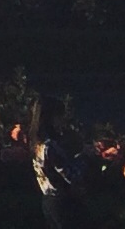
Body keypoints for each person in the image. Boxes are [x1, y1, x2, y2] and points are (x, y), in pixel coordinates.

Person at [27, 96, 87, 228]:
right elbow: (70, 175)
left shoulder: (36, 144)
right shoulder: (50, 147)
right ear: (51, 118)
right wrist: (83, 158)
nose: (62, 120)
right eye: (60, 116)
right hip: (62, 202)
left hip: (48, 200)